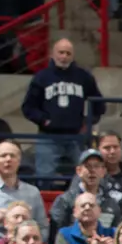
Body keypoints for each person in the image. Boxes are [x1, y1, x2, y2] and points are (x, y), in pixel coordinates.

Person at [21, 38, 102, 179]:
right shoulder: (42, 77)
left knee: (85, 177)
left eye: (68, 53)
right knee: (44, 176)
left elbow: (99, 104)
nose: (64, 57)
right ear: (52, 54)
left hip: (76, 137)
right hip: (48, 137)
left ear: (73, 55)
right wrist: (44, 121)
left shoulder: (84, 77)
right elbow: (28, 107)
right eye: (61, 52)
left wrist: (87, 122)